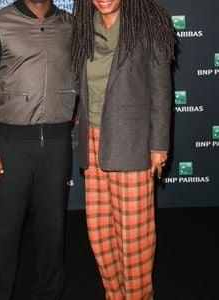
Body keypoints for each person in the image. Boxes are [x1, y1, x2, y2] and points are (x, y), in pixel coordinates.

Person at [70, 0, 176, 299]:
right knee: (100, 232)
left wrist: (158, 145)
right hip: (92, 141)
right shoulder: (82, 25)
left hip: (133, 140)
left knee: (134, 236)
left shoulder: (148, 22)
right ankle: (114, 295)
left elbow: (161, 87)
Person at [0, 0, 76, 299]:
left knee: (52, 232)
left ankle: (51, 293)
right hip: (8, 145)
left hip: (56, 145)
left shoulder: (71, 25)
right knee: (1, 234)